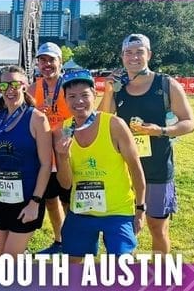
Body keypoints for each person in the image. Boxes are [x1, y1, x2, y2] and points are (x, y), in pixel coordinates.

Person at [97, 34, 194, 255]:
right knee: (124, 227)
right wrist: (108, 91)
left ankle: (160, 276)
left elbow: (189, 123)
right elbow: (103, 119)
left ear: (149, 54)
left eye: (139, 52)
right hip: (123, 170)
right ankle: (126, 277)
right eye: (128, 53)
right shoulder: (118, 86)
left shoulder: (166, 84)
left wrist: (161, 131)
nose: (134, 57)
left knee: (156, 227)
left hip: (157, 168)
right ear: (122, 57)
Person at [54, 69, 146, 263]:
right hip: (82, 210)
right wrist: (62, 157)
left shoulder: (114, 125)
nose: (79, 101)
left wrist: (140, 209)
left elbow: (136, 169)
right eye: (72, 96)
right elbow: (65, 184)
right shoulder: (63, 130)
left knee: (121, 267)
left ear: (95, 95)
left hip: (117, 211)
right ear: (65, 99)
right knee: (72, 264)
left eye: (84, 95)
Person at [0, 65, 51, 258]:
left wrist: (35, 202)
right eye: (5, 85)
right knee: (5, 255)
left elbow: (46, 165)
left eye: (15, 84)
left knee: (8, 259)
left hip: (26, 199)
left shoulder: (37, 119)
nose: (10, 89)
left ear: (25, 86)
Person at [29, 42, 72, 254]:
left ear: (60, 62)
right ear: (38, 63)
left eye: (51, 59)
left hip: (69, 152)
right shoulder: (31, 89)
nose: (47, 64)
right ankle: (60, 240)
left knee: (70, 201)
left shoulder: (71, 86)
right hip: (44, 155)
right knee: (51, 200)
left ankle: (75, 243)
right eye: (42, 60)